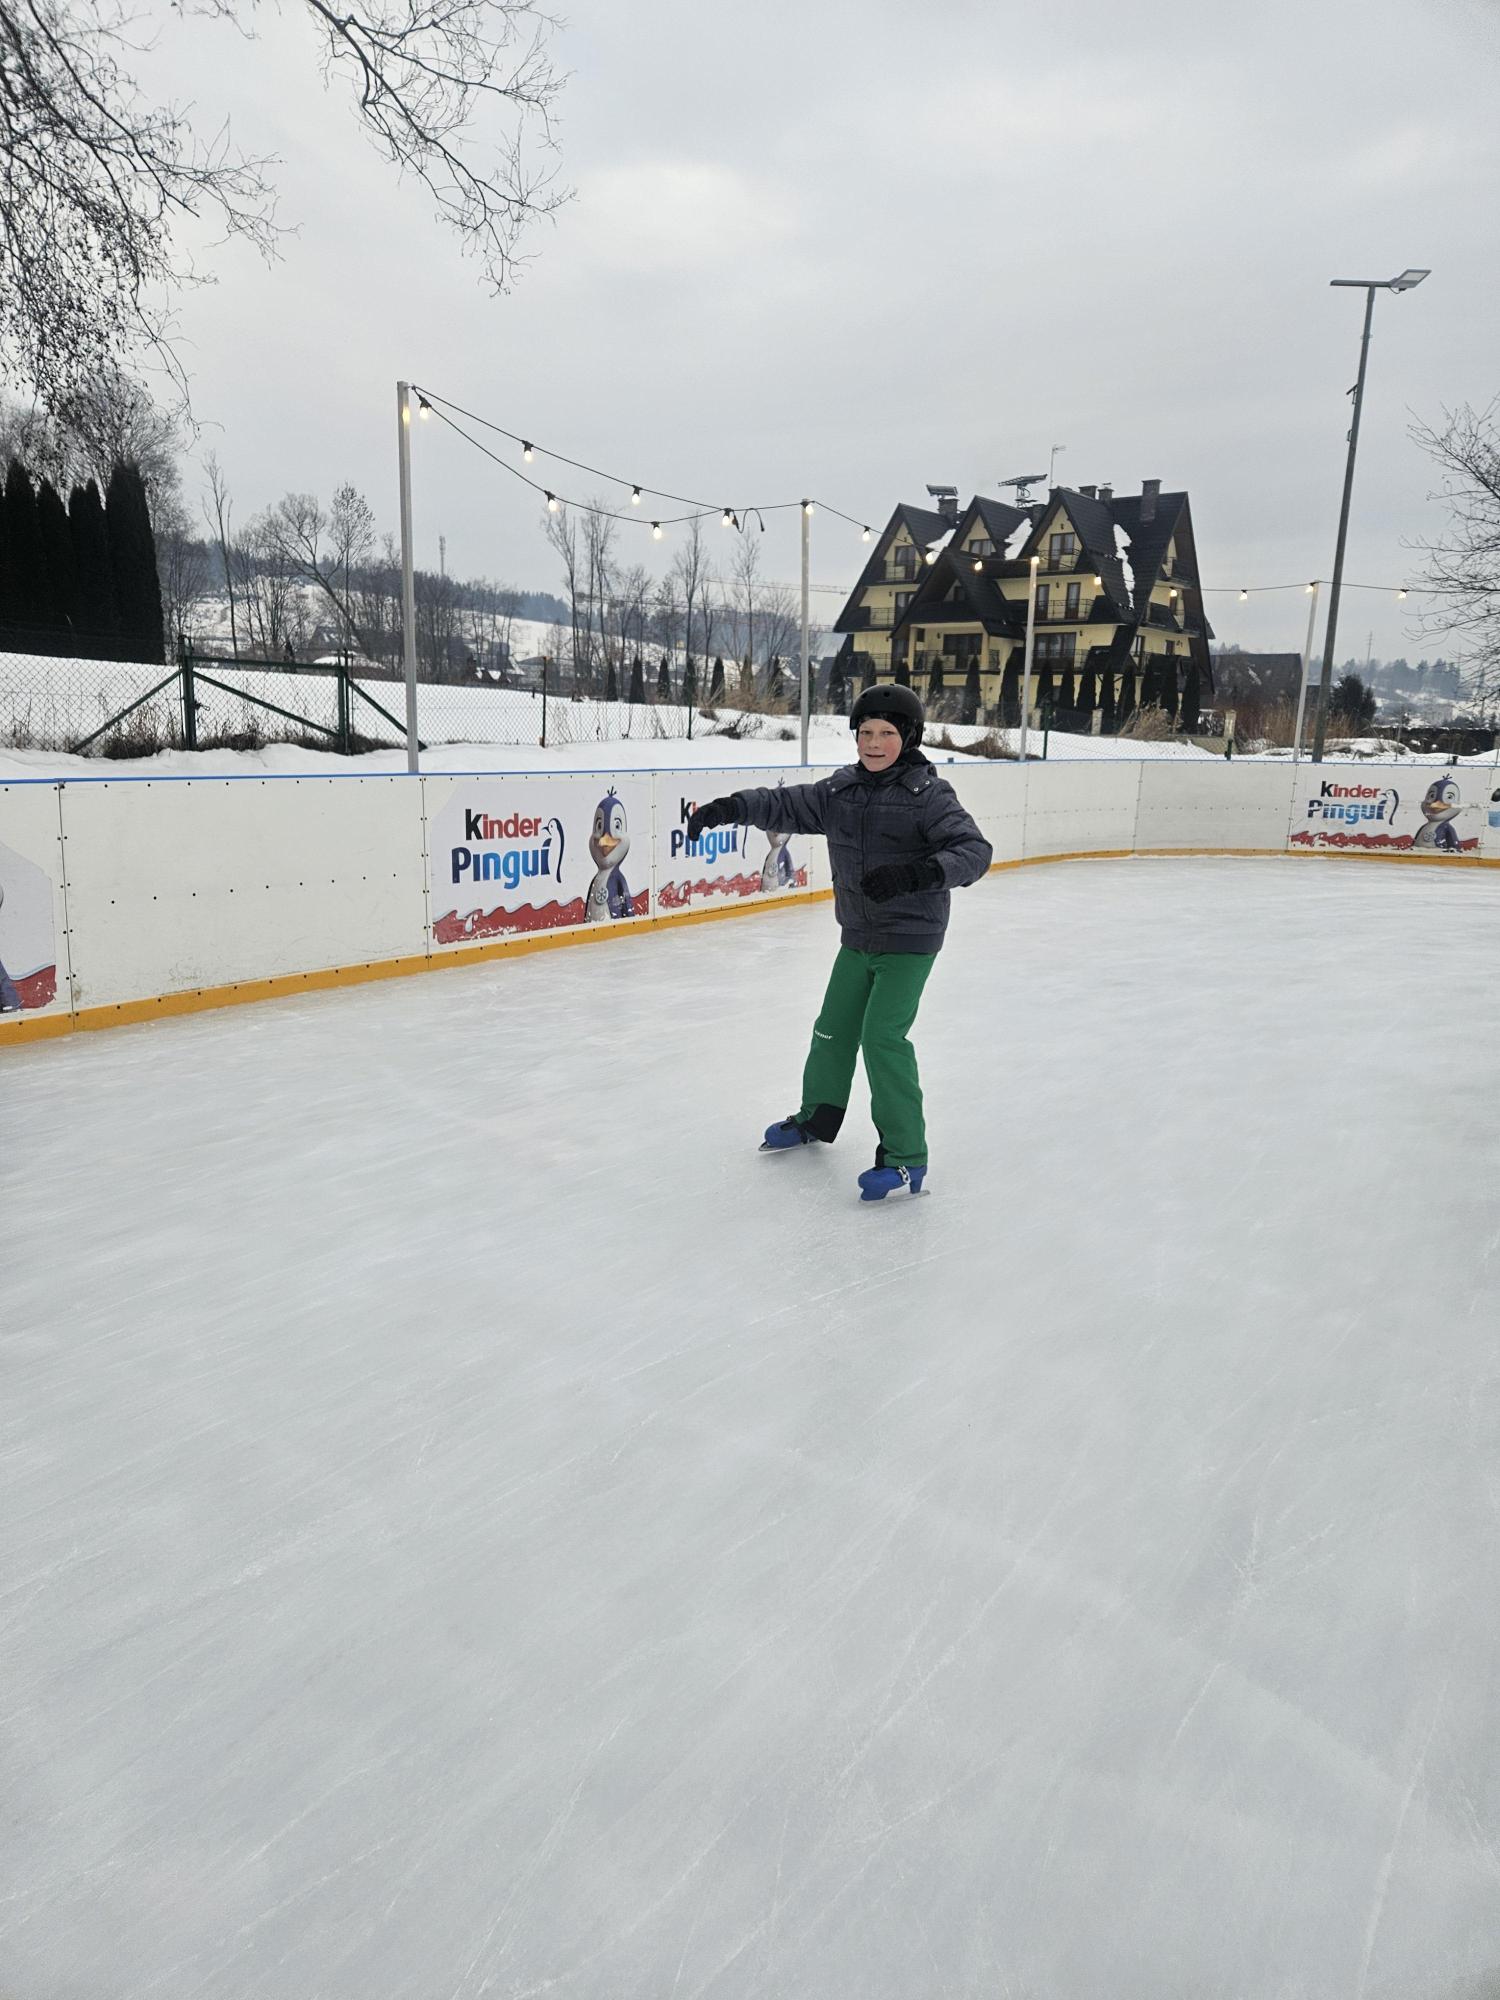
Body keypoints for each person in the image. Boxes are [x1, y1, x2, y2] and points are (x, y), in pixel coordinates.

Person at [686, 684, 992, 1201]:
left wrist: (916, 874)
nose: (873, 743)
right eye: (865, 732)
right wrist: (728, 808)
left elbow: (974, 851)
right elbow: (782, 804)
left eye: (886, 733)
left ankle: (905, 1158)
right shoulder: (841, 791)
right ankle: (817, 1115)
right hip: (857, 934)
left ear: (909, 737)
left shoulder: (929, 796)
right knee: (831, 1030)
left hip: (910, 939)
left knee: (882, 1039)